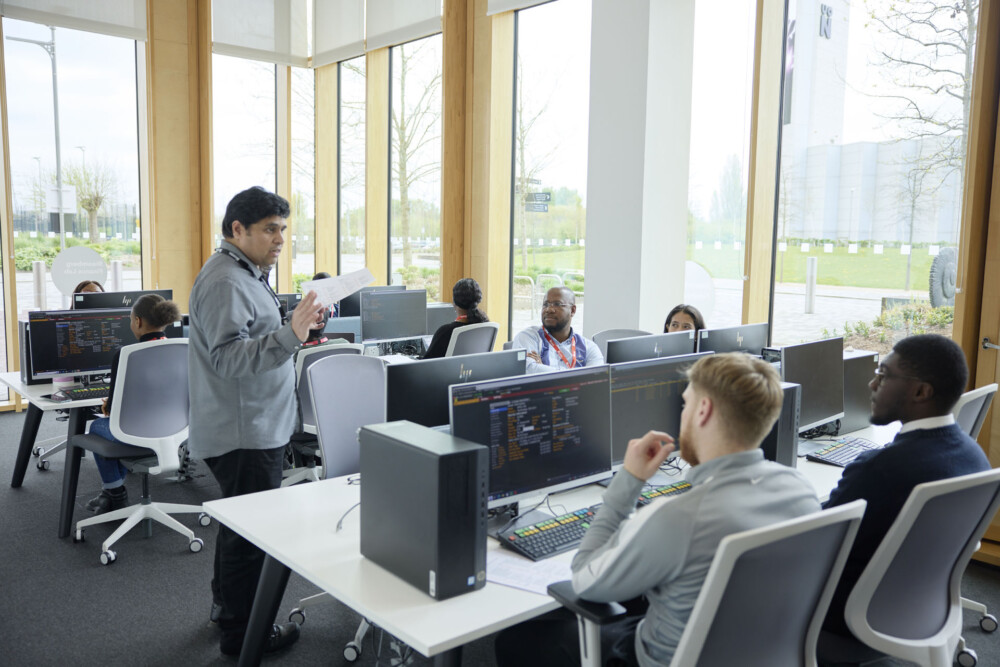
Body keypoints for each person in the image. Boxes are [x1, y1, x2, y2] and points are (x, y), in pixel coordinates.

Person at [495, 353, 820, 666]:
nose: (682, 414)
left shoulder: (680, 516)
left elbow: (584, 580)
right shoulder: (801, 491)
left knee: (518, 639)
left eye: (686, 403)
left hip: (662, 659)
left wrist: (629, 480)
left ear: (703, 410)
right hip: (760, 655)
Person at [187, 186, 325, 657]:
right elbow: (227, 358)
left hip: (253, 423)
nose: (280, 238)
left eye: (283, 228)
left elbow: (250, 335)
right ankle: (243, 636)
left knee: (239, 527)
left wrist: (296, 324)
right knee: (252, 536)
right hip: (244, 431)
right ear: (237, 229)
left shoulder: (246, 272)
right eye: (270, 229)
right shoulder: (227, 280)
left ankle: (227, 613)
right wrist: (291, 334)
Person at [821, 334, 990, 639]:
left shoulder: (880, 468)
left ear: (921, 391)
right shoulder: (974, 456)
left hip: (844, 619)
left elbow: (817, 539)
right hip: (917, 607)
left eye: (883, 376)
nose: (872, 385)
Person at [84, 294, 181, 514]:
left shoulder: (127, 354)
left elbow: (112, 409)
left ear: (137, 321)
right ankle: (110, 493)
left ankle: (115, 492)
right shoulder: (181, 349)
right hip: (174, 432)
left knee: (97, 427)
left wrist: (107, 406)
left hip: (136, 433)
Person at [513, 286, 603, 373]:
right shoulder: (528, 337)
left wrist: (542, 369)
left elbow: (595, 377)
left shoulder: (589, 347)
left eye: (557, 304)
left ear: (572, 310)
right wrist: (577, 375)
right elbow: (528, 370)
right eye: (545, 304)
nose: (549, 309)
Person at [423, 278, 489, 359]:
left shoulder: (445, 332)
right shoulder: (486, 326)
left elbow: (425, 364)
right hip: (477, 371)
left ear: (454, 301)